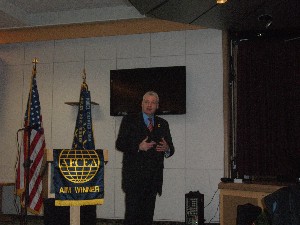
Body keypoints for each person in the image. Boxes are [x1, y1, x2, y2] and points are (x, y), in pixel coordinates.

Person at [116, 91, 175, 225]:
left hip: (153, 180)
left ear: (157, 106)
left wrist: (167, 148)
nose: (149, 105)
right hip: (134, 179)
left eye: (153, 102)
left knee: (147, 218)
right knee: (131, 218)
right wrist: (138, 146)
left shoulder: (163, 123)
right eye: (146, 102)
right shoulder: (129, 120)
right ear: (141, 104)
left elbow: (171, 148)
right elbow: (120, 143)